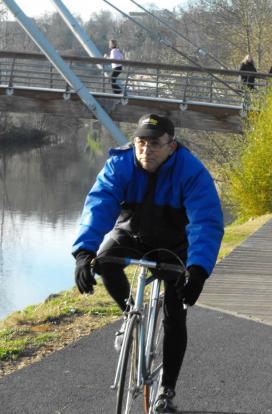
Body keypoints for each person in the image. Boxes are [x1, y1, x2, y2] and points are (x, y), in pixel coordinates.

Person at [72, 113, 224, 413]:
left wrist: (198, 270)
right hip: (133, 233)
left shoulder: (191, 172)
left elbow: (206, 222)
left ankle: (167, 391)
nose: (146, 150)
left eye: (154, 144)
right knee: (105, 261)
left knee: (175, 313)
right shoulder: (121, 163)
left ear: (172, 146)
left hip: (173, 245)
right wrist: (83, 252)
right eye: (141, 142)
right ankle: (131, 312)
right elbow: (99, 202)